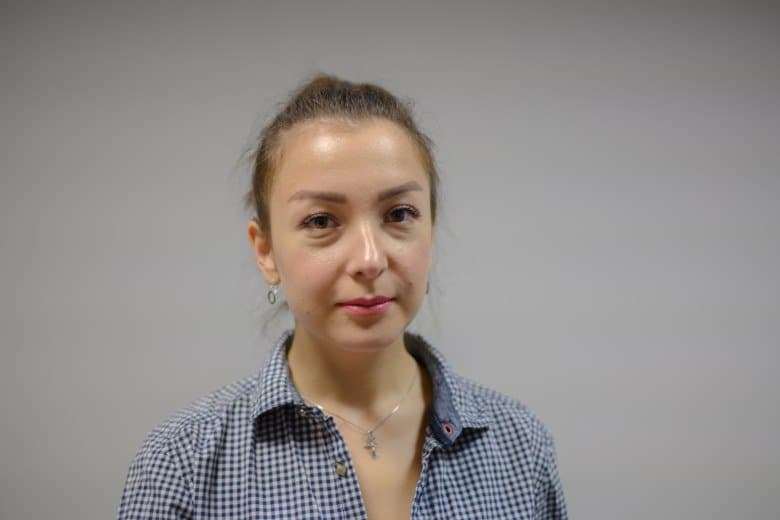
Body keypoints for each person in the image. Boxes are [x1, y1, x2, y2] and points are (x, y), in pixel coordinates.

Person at [118, 74, 567, 519]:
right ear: (266, 251)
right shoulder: (183, 465)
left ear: (431, 233)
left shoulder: (520, 447)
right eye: (321, 221)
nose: (369, 260)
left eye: (399, 214)